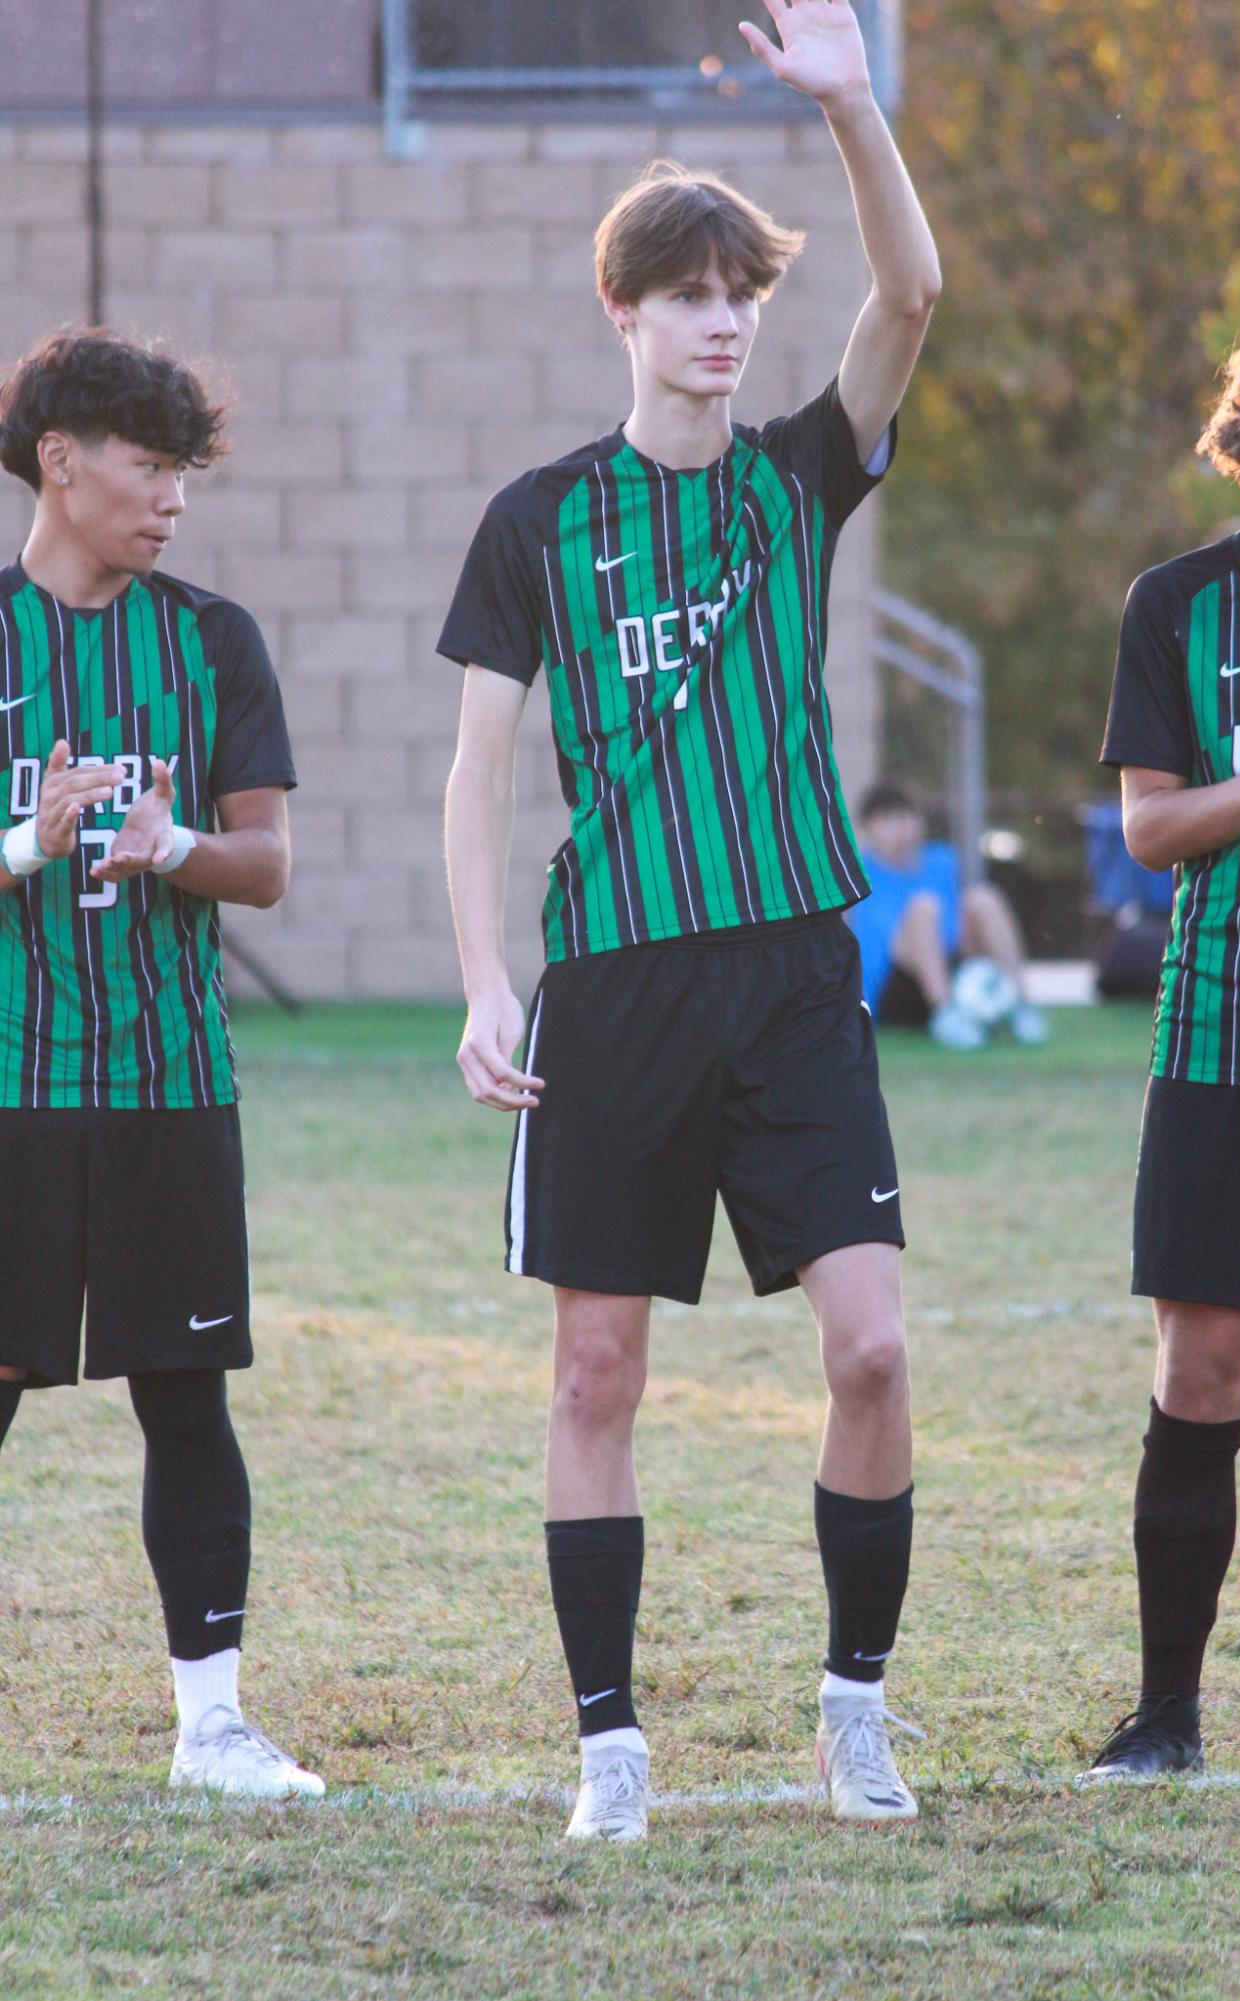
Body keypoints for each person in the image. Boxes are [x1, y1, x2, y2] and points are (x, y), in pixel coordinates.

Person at [441, 0, 940, 1838]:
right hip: (616, 990)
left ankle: (850, 1711)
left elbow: (907, 295)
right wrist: (488, 978)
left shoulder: (797, 478)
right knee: (595, 1367)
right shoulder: (537, 522)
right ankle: (609, 1752)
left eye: (741, 291)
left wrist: (851, 114)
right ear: (623, 313)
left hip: (796, 970)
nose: (723, 319)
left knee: (873, 1346)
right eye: (687, 293)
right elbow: (477, 771)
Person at [0, 329, 322, 1799]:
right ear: (61, 461)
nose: (174, 497)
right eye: (150, 464)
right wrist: (29, 842)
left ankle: (212, 1726)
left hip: (170, 1083)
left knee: (185, 1397)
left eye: (187, 471)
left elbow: (267, 863)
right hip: (11, 1090)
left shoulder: (212, 638)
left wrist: (175, 844)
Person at [1083, 307, 1240, 1781]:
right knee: (1200, 1378)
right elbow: (1148, 827)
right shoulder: (1174, 605)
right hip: (1220, 1044)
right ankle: (1162, 1714)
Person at [847, 780, 1048, 1048]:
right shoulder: (859, 872)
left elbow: (955, 929)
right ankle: (946, 1015)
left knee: (983, 899)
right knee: (923, 907)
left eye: (906, 816)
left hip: (949, 967)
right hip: (896, 988)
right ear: (869, 828)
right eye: (887, 819)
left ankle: (1020, 1006)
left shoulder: (942, 861)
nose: (900, 828)